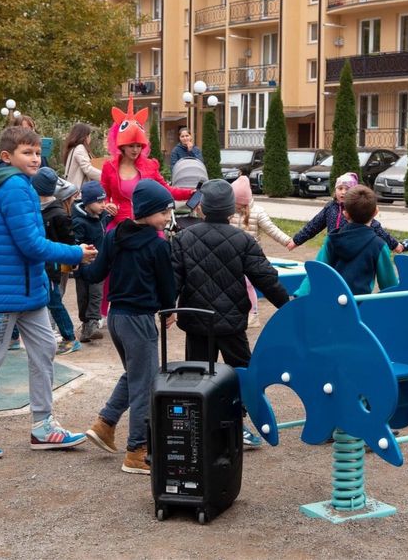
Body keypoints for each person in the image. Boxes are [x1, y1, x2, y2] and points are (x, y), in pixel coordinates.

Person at [0, 126, 95, 461]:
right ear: (7, 157)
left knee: (45, 348)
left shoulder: (15, 185)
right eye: (26, 153)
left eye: (37, 152)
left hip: (25, 290)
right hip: (5, 292)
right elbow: (30, 244)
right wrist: (75, 253)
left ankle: (43, 424)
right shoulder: (15, 187)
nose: (34, 158)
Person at [171, 179, 290, 448]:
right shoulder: (243, 240)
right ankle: (237, 422)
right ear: (231, 209)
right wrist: (287, 306)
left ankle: (199, 426)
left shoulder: (183, 238)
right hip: (231, 320)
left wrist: (167, 307)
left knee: (198, 374)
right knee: (242, 373)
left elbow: (173, 279)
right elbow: (266, 278)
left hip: (196, 318)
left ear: (202, 207)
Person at [80, 180, 178, 474]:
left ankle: (105, 424)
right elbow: (167, 284)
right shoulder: (158, 245)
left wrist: (79, 263)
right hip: (139, 320)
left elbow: (96, 273)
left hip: (116, 318)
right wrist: (169, 309)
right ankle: (137, 450)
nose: (167, 218)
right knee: (145, 384)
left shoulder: (114, 235)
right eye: (163, 212)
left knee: (135, 374)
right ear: (147, 212)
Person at [100, 97, 194, 229]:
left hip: (147, 227)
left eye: (139, 146)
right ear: (122, 146)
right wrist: (107, 204)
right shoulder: (109, 167)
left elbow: (166, 190)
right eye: (131, 146)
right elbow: (103, 194)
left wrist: (190, 193)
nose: (135, 150)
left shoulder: (150, 166)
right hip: (119, 227)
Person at [295, 185, 398, 297]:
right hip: (359, 304)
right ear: (375, 212)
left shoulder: (332, 238)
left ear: (345, 214)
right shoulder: (379, 246)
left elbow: (317, 271)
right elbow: (389, 286)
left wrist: (300, 294)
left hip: (332, 301)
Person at [229, 175, 292, 327]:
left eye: (238, 204)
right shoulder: (229, 211)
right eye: (234, 203)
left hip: (251, 257)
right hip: (232, 257)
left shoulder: (257, 212)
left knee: (249, 284)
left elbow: (271, 229)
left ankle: (254, 314)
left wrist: (287, 241)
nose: (236, 207)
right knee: (235, 285)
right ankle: (239, 311)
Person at [288, 172, 403, 253]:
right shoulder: (330, 207)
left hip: (353, 250)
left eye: (347, 189)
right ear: (335, 190)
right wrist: (296, 241)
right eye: (340, 188)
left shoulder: (357, 208)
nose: (343, 192)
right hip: (332, 249)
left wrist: (395, 245)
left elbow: (377, 228)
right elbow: (314, 225)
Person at [32, 167, 80, 355]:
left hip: (51, 267)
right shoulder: (35, 209)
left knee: (54, 302)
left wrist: (73, 260)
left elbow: (69, 241)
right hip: (38, 265)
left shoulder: (57, 214)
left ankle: (70, 338)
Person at [71, 180, 110, 342]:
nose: (103, 205)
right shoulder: (79, 221)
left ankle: (93, 322)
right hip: (83, 265)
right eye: (99, 202)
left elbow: (108, 221)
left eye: (104, 201)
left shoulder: (102, 216)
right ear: (87, 203)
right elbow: (75, 242)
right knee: (83, 296)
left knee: (96, 294)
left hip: (98, 265)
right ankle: (86, 325)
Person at [63, 123, 102, 189]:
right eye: (89, 135)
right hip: (79, 190)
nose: (90, 138)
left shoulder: (73, 148)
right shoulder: (80, 148)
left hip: (73, 187)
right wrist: (105, 176)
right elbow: (87, 169)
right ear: (85, 137)